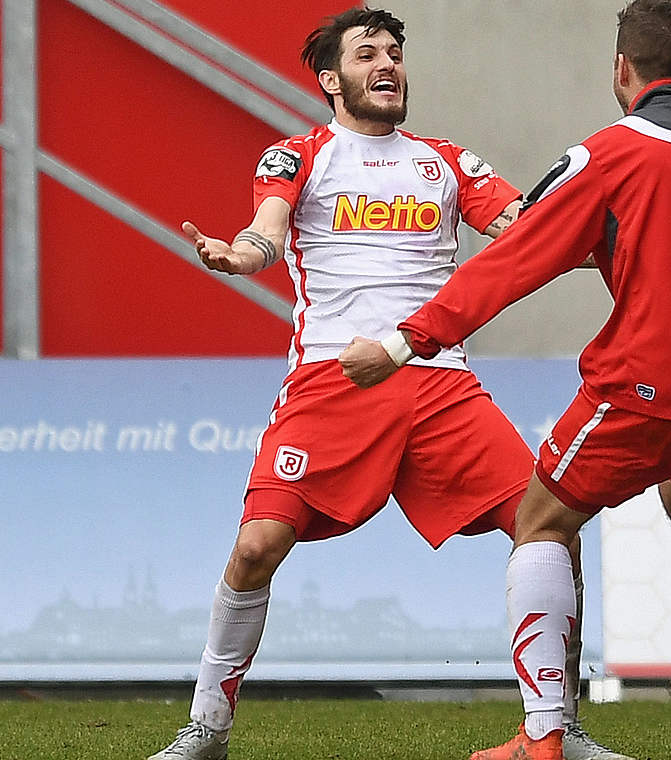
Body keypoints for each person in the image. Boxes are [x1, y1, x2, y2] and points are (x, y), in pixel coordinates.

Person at [337, 1, 671, 758]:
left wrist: (406, 341)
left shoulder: (610, 153)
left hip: (648, 382)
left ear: (621, 71)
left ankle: (543, 739)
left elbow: (510, 265)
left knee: (540, 523)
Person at [148, 8, 630, 760]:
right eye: (367, 53)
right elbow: (266, 234)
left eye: (396, 53)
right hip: (332, 381)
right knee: (255, 549)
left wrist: (612, 239)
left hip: (440, 383)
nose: (388, 64)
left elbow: (523, 230)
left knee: (552, 526)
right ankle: (208, 728)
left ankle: (558, 728)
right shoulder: (296, 154)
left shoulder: (447, 161)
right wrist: (236, 256)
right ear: (330, 79)